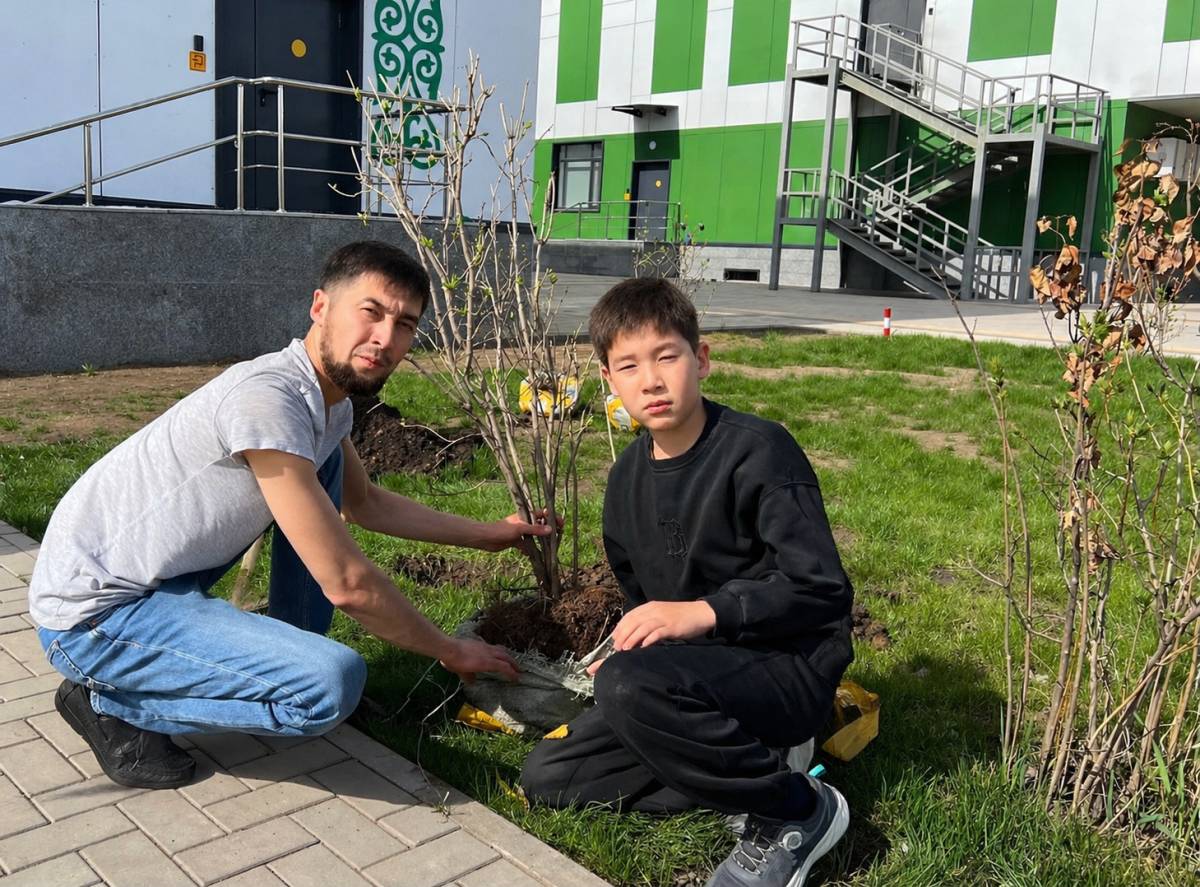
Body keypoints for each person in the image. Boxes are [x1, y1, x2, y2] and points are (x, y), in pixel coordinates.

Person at [29, 240, 548, 790]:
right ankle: (108, 703)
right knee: (328, 686)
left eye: (404, 325)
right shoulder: (269, 399)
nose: (385, 339)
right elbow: (346, 583)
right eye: (370, 312)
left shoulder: (327, 400)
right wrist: (449, 650)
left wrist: (491, 534)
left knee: (325, 469)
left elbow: (364, 503)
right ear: (320, 306)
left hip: (156, 579)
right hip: (94, 618)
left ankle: (289, 648)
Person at [519, 278, 853, 887]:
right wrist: (637, 648)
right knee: (550, 777)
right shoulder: (625, 481)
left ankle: (795, 809)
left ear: (700, 359)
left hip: (786, 665)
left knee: (631, 688)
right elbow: (644, 600)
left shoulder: (760, 451)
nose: (650, 381)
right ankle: (744, 764)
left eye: (666, 357)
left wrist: (703, 612)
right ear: (608, 380)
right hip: (694, 679)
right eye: (628, 366)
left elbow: (822, 589)